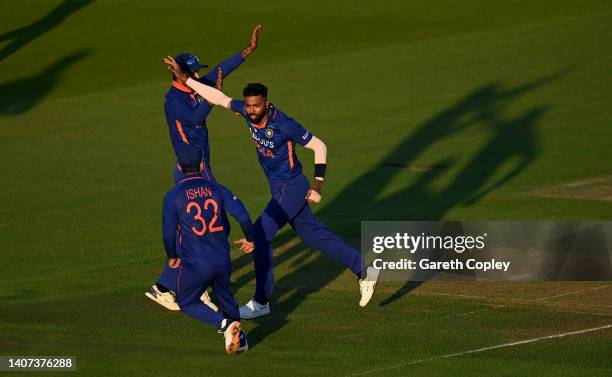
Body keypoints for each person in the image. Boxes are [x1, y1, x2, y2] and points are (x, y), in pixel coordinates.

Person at [164, 58, 380, 319]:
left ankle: (261, 301)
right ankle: (363, 268)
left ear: (266, 103)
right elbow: (219, 98)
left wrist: (318, 186)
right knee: (313, 235)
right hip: (277, 187)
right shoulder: (247, 111)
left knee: (259, 235)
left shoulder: (284, 125)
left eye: (256, 106)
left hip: (291, 187)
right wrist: (186, 79)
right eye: (248, 106)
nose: (251, 110)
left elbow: (319, 146)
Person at [146, 25, 262, 311]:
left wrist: (246, 52)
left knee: (203, 228)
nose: (199, 75)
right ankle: (171, 286)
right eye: (194, 72)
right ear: (181, 75)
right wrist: (215, 94)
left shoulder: (194, 87)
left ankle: (177, 285)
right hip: (192, 170)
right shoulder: (174, 101)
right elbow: (197, 118)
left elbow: (221, 71)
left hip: (199, 166)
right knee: (211, 223)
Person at [150, 144, 254, 354]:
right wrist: (250, 238)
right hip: (222, 259)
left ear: (179, 166)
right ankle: (239, 338)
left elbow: (169, 233)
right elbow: (242, 214)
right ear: (202, 165)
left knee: (186, 301)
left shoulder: (173, 196)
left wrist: (172, 256)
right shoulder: (218, 188)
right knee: (225, 297)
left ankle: (225, 326)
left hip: (196, 263)